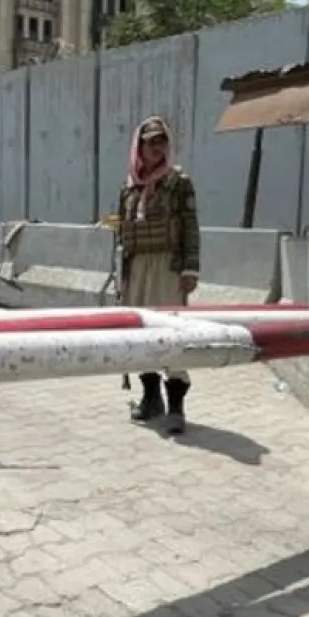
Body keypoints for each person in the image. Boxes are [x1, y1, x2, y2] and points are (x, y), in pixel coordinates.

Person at [116, 116, 200, 434]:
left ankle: (176, 406)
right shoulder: (129, 187)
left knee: (172, 333)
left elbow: (190, 227)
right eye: (150, 142)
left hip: (168, 268)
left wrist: (191, 268)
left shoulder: (179, 183)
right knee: (140, 334)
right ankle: (151, 399)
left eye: (161, 141)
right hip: (136, 267)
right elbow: (123, 233)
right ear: (139, 146)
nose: (156, 147)